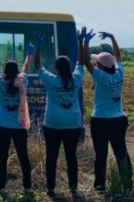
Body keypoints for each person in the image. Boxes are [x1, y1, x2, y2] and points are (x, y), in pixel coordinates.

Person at [81, 27, 132, 192]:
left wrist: (86, 41)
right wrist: (112, 37)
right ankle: (127, 183)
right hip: (119, 119)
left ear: (100, 66)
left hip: (101, 120)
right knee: (121, 153)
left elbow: (85, 60)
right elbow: (118, 56)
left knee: (100, 155)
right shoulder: (119, 73)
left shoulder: (100, 77)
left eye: (97, 63)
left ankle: (100, 185)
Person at [34, 34, 83, 198]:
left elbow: (38, 66)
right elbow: (81, 62)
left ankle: (50, 188)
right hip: (73, 124)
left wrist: (38, 46)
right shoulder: (76, 79)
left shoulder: (51, 80)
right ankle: (73, 188)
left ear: (55, 68)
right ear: (69, 67)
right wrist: (81, 41)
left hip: (53, 124)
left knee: (52, 157)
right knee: (71, 157)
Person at [0, 38, 32, 195]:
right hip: (19, 126)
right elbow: (26, 67)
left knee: (2, 158)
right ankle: (28, 188)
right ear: (16, 72)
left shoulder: (0, 83)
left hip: (3, 126)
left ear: (5, 71)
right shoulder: (22, 81)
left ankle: (2, 188)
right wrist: (29, 54)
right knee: (23, 156)